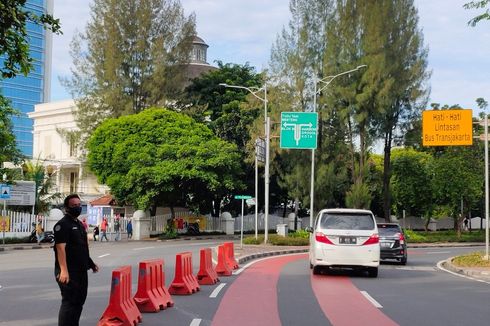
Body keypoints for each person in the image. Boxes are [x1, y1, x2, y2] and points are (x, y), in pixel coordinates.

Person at [53, 194, 99, 326]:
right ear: (67, 207)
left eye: (79, 205)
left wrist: (91, 263)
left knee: (79, 301)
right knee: (69, 302)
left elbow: (82, 248)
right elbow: (60, 249)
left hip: (81, 270)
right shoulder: (62, 225)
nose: (77, 208)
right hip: (68, 271)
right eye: (74, 205)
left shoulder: (79, 224)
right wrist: (63, 271)